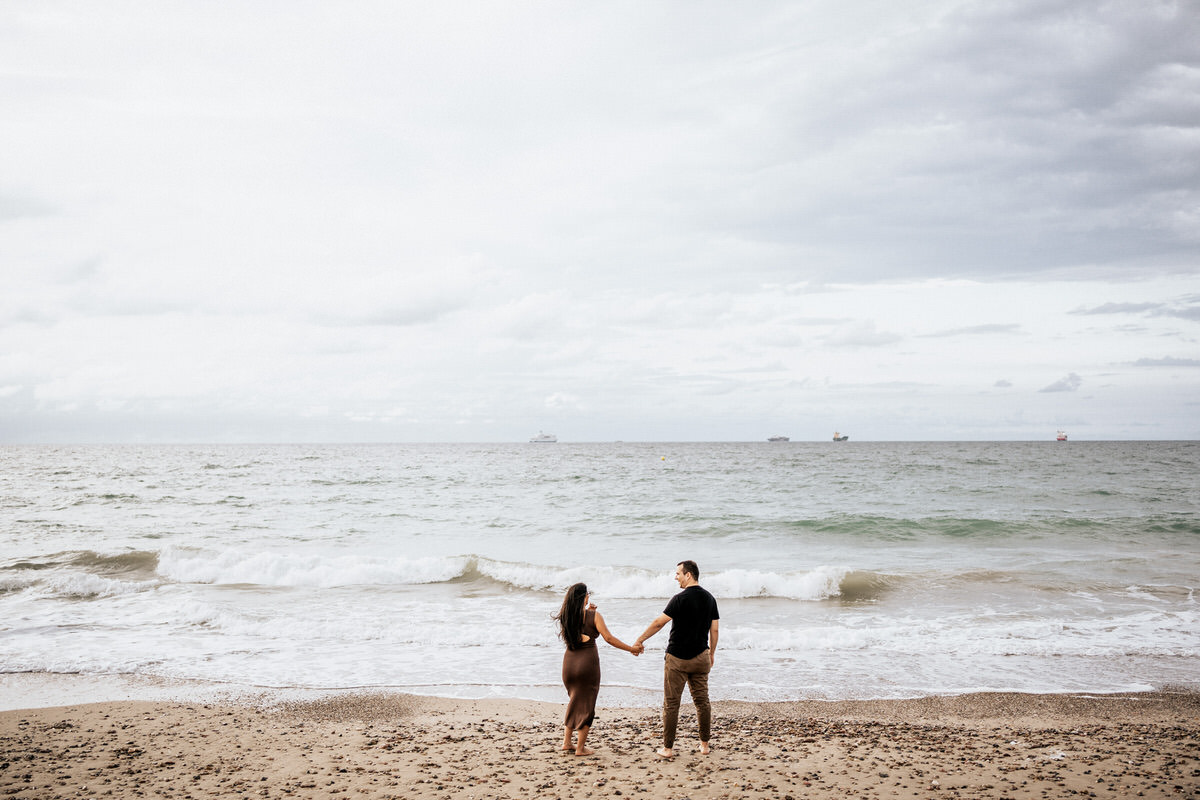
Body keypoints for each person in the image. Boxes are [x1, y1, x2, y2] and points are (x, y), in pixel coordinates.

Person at [633, 560, 719, 758]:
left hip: (677, 659)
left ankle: (668, 748)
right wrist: (711, 653)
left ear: (689, 575)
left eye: (678, 573)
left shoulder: (679, 599)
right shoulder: (710, 599)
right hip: (701, 657)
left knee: (672, 703)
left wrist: (639, 640)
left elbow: (658, 624)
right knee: (702, 702)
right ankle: (705, 745)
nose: (676, 577)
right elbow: (714, 629)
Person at [554, 582, 641, 756]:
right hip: (586, 666)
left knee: (574, 700)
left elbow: (581, 625)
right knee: (586, 704)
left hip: (569, 665)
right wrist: (631, 649)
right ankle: (580, 748)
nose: (589, 597)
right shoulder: (594, 616)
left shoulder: (565, 616)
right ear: (583, 597)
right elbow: (608, 638)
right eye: (587, 594)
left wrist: (589, 611)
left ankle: (567, 743)